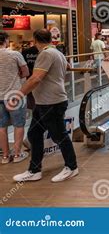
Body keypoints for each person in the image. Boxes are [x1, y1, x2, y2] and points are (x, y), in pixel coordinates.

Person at [13, 29, 78, 182]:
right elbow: (67, 67)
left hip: (51, 102)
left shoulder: (46, 54)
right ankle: (34, 170)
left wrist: (18, 94)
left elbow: (36, 78)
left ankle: (72, 167)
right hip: (44, 102)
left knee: (59, 136)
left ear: (35, 40)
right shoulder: (57, 53)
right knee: (34, 134)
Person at [0, 32, 30, 164]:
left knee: (1, 127)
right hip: (14, 95)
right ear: (6, 41)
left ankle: (5, 156)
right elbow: (26, 72)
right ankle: (17, 154)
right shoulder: (14, 54)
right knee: (19, 125)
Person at [21, 42, 39, 110]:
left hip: (29, 79)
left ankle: (33, 111)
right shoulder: (45, 52)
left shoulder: (25, 51)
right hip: (42, 80)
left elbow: (22, 66)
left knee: (31, 99)